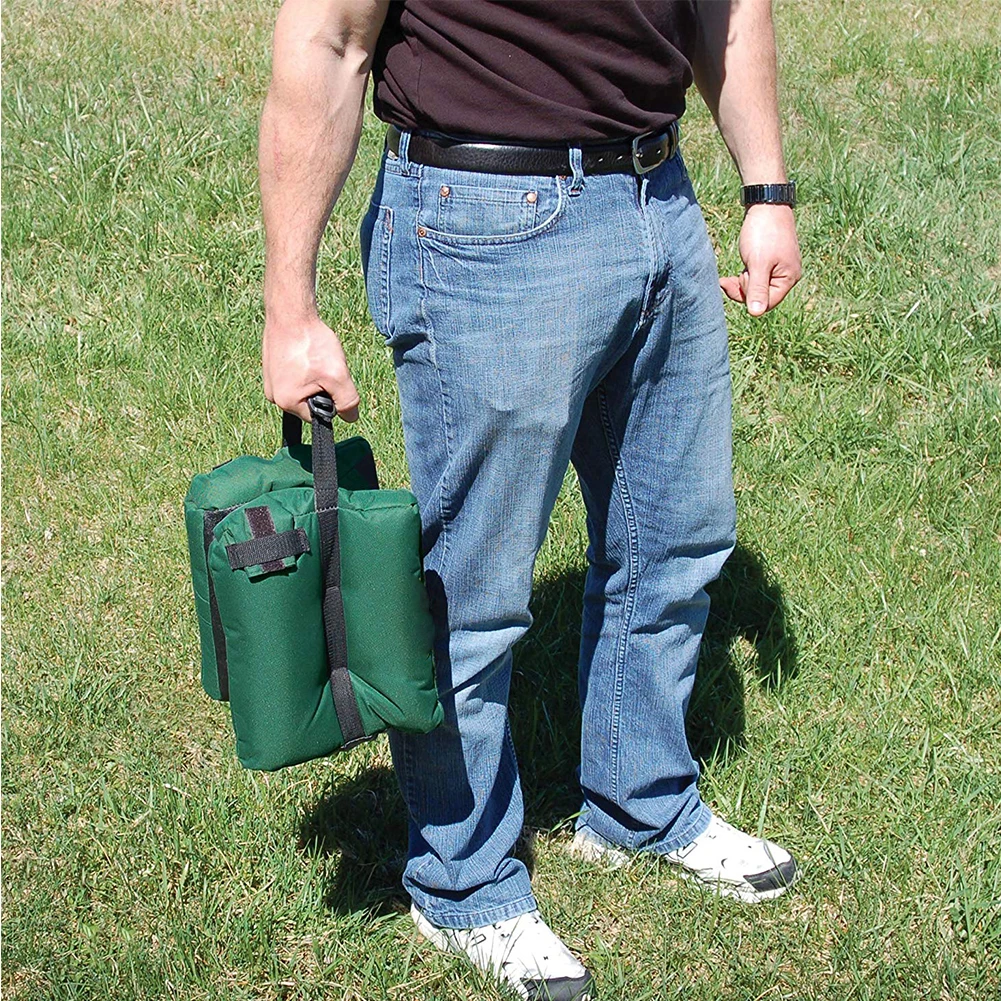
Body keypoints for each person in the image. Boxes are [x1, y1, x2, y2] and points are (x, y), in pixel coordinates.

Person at [259, 2, 803, 998]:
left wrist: (764, 188)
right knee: (471, 591)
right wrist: (289, 308)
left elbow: (727, 11)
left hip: (659, 196)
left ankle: (641, 802)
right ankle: (461, 882)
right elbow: (330, 38)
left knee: (673, 540)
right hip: (482, 216)